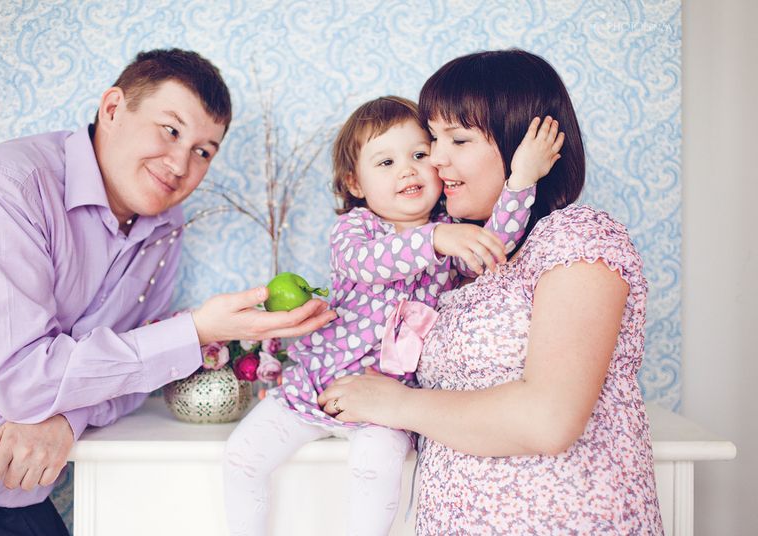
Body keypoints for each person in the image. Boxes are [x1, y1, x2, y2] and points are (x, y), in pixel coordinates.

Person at [0, 48, 335, 534]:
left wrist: (67, 419)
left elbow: (134, 379)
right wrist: (196, 331)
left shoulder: (164, 223)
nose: (180, 164)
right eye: (171, 130)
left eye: (203, 151)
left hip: (19, 495)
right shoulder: (6, 188)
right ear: (113, 109)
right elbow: (25, 382)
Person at [318, 49, 664, 534]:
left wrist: (394, 404)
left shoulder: (577, 237)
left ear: (520, 141)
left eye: (457, 139)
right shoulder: (465, 263)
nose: (436, 159)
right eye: (433, 139)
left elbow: (548, 419)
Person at [222, 95, 562, 535]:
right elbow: (368, 263)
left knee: (376, 468)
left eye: (420, 155)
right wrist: (434, 239)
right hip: (315, 385)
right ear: (355, 182)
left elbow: (493, 246)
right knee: (242, 456)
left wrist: (522, 178)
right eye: (386, 162)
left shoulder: (452, 232)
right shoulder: (356, 229)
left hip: (391, 400)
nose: (407, 170)